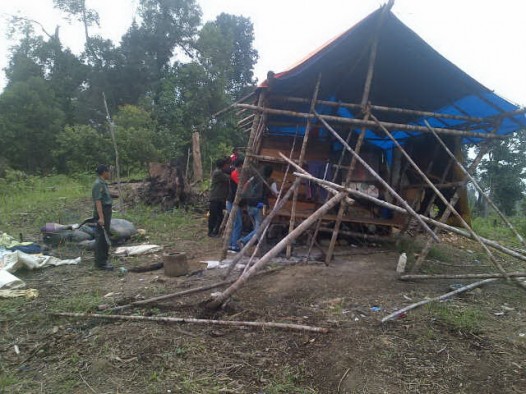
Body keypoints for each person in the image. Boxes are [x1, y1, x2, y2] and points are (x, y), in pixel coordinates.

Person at [92, 164, 114, 270]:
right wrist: (101, 218)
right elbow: (98, 202)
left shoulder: (103, 183)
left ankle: (104, 260)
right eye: (108, 172)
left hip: (107, 211)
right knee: (101, 237)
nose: (109, 174)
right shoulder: (98, 184)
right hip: (103, 212)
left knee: (105, 236)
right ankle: (100, 263)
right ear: (104, 172)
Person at [208, 158, 230, 237]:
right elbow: (228, 178)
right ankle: (211, 232)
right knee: (214, 216)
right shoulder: (218, 173)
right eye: (226, 165)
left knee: (219, 216)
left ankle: (215, 231)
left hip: (219, 198)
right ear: (223, 165)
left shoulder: (219, 172)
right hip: (215, 198)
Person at [226, 157, 244, 251]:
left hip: (232, 202)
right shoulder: (235, 174)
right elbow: (241, 187)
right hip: (233, 202)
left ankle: (231, 244)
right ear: (241, 165)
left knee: (234, 223)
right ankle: (234, 245)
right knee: (238, 223)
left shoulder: (236, 173)